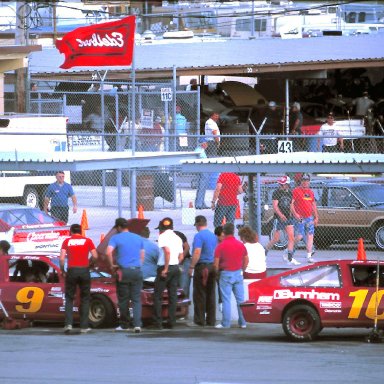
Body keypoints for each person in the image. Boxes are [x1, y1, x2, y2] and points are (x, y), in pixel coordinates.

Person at [106, 218, 144, 333]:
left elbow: (108, 252)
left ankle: (124, 324)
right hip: (137, 270)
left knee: (123, 299)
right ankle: (137, 325)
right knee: (136, 299)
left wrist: (112, 265)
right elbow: (142, 254)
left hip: (124, 271)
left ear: (118, 227)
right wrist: (138, 265)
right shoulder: (138, 237)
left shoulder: (115, 238)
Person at [60, 223, 98, 334]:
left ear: (71, 231)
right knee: (85, 298)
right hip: (84, 270)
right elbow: (95, 256)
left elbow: (62, 259)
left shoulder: (67, 241)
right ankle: (84, 326)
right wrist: (91, 264)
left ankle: (68, 324)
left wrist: (62, 270)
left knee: (69, 298)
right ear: (81, 231)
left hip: (72, 271)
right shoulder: (87, 240)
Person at [214, 223, 249, 329]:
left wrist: (217, 272)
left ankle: (226, 323)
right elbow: (246, 259)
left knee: (226, 299)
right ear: (233, 232)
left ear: (224, 232)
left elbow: (216, 263)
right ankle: (243, 322)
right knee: (240, 300)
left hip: (225, 274)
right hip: (238, 273)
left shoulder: (221, 246)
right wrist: (242, 269)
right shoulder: (240, 244)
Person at [153, 217, 184, 329]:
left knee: (158, 295)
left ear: (162, 228)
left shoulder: (162, 237)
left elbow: (167, 251)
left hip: (164, 267)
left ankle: (158, 322)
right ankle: (171, 321)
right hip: (175, 267)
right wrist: (175, 264)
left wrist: (166, 268)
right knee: (172, 295)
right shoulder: (177, 238)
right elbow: (181, 255)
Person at [188, 215, 217, 327]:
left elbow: (196, 252)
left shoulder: (198, 236)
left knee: (199, 294)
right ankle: (211, 320)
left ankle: (199, 320)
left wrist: (191, 267)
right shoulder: (213, 236)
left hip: (202, 266)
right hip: (212, 266)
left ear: (197, 225)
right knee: (211, 294)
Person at [263, 175, 298, 266]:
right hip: (279, 218)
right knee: (276, 238)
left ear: (287, 184)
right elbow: (275, 206)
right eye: (280, 184)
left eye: (283, 184)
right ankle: (265, 251)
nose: (281, 186)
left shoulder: (290, 193)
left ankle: (290, 258)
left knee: (291, 238)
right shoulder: (276, 192)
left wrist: (294, 215)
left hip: (288, 218)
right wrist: (281, 215)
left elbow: (291, 205)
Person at [290, 173, 319, 264]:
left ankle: (309, 256)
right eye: (303, 180)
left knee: (310, 236)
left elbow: (313, 204)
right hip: (300, 217)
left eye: (307, 180)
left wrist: (316, 217)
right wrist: (295, 214)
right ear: (301, 181)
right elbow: (291, 204)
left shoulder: (311, 192)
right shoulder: (296, 191)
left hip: (309, 217)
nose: (305, 182)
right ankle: (289, 251)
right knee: (299, 236)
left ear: (309, 182)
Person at [174, 229, 192, 299]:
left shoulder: (177, 234)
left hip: (184, 261)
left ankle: (184, 307)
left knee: (183, 286)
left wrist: (180, 258)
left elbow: (187, 247)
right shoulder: (162, 238)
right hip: (175, 263)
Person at [194, 137, 210, 209]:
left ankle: (201, 203)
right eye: (206, 143)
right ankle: (199, 204)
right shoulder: (198, 150)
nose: (207, 144)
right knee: (201, 187)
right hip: (202, 170)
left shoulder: (201, 150)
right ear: (202, 144)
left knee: (203, 187)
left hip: (204, 169)